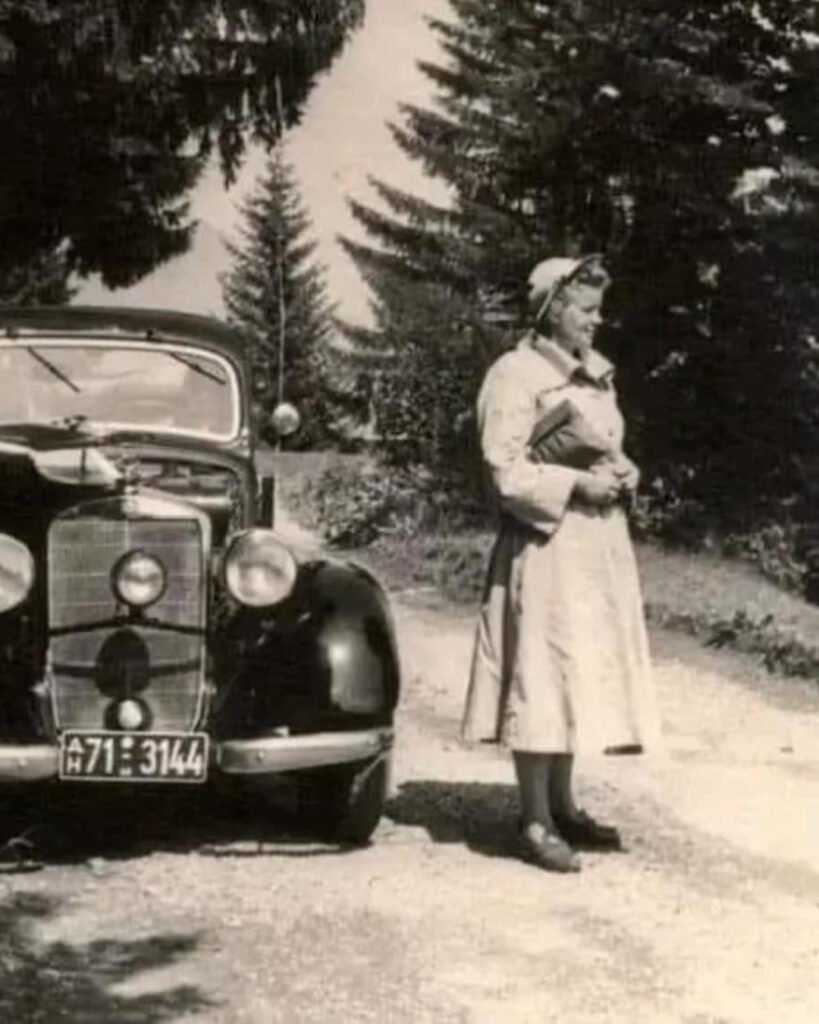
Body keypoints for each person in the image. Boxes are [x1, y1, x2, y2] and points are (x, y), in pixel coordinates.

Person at [462, 254, 661, 873]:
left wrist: (624, 472)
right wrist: (576, 484)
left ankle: (565, 803)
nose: (596, 321)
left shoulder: (597, 375)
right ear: (552, 310)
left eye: (600, 310)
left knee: (577, 669)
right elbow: (503, 471)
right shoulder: (515, 375)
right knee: (542, 671)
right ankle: (535, 818)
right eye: (586, 310)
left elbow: (606, 447)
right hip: (546, 546)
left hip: (596, 546)